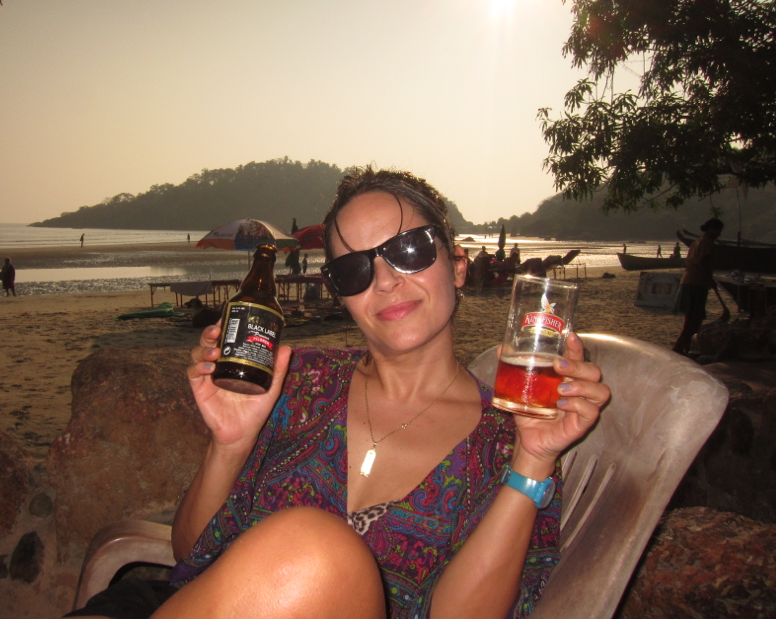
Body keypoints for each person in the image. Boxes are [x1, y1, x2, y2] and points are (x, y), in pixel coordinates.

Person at [67, 168, 609, 619]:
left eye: (409, 249)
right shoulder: (297, 384)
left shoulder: (506, 439)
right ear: (342, 294)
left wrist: (532, 462)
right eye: (354, 269)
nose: (386, 280)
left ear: (458, 264)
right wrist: (228, 446)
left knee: (316, 548)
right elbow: (192, 556)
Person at [672, 218, 724, 355]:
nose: (719, 234)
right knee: (695, 319)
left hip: (689, 281)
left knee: (691, 318)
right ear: (712, 229)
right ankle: (679, 346)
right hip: (697, 283)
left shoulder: (696, 242)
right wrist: (710, 278)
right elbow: (704, 261)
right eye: (718, 231)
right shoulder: (707, 243)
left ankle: (686, 346)